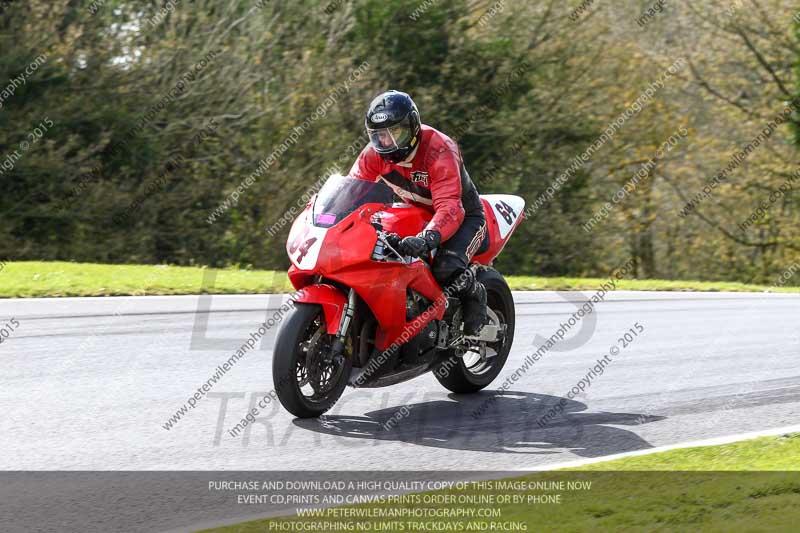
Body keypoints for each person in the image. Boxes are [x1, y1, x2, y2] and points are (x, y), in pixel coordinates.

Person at [348, 90, 487, 335]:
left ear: (412, 128)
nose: (387, 142)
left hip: (463, 216)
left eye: (395, 133)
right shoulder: (372, 155)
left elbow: (450, 207)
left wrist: (427, 238)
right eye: (380, 135)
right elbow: (352, 192)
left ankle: (475, 294)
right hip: (413, 213)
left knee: (446, 268)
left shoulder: (439, 149)